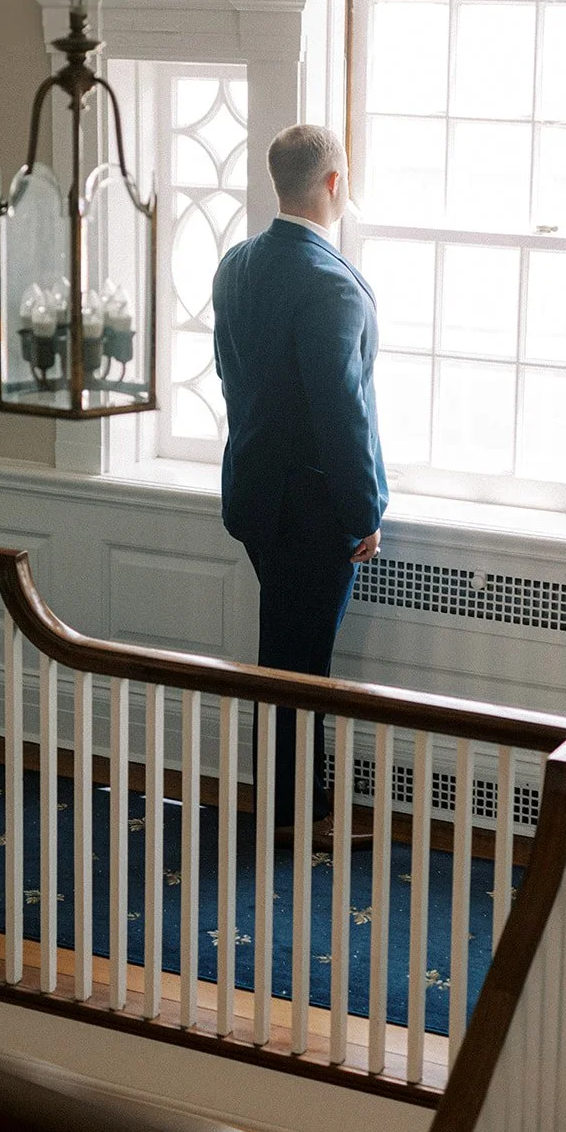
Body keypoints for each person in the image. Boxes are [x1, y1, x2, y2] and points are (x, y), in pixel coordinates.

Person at [212, 123, 387, 852]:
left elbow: (232, 378)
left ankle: (292, 809)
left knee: (287, 658)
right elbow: (341, 410)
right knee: (301, 668)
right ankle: (296, 819)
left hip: (253, 494)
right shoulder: (331, 285)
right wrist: (365, 509)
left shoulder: (236, 265)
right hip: (315, 511)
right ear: (333, 184)